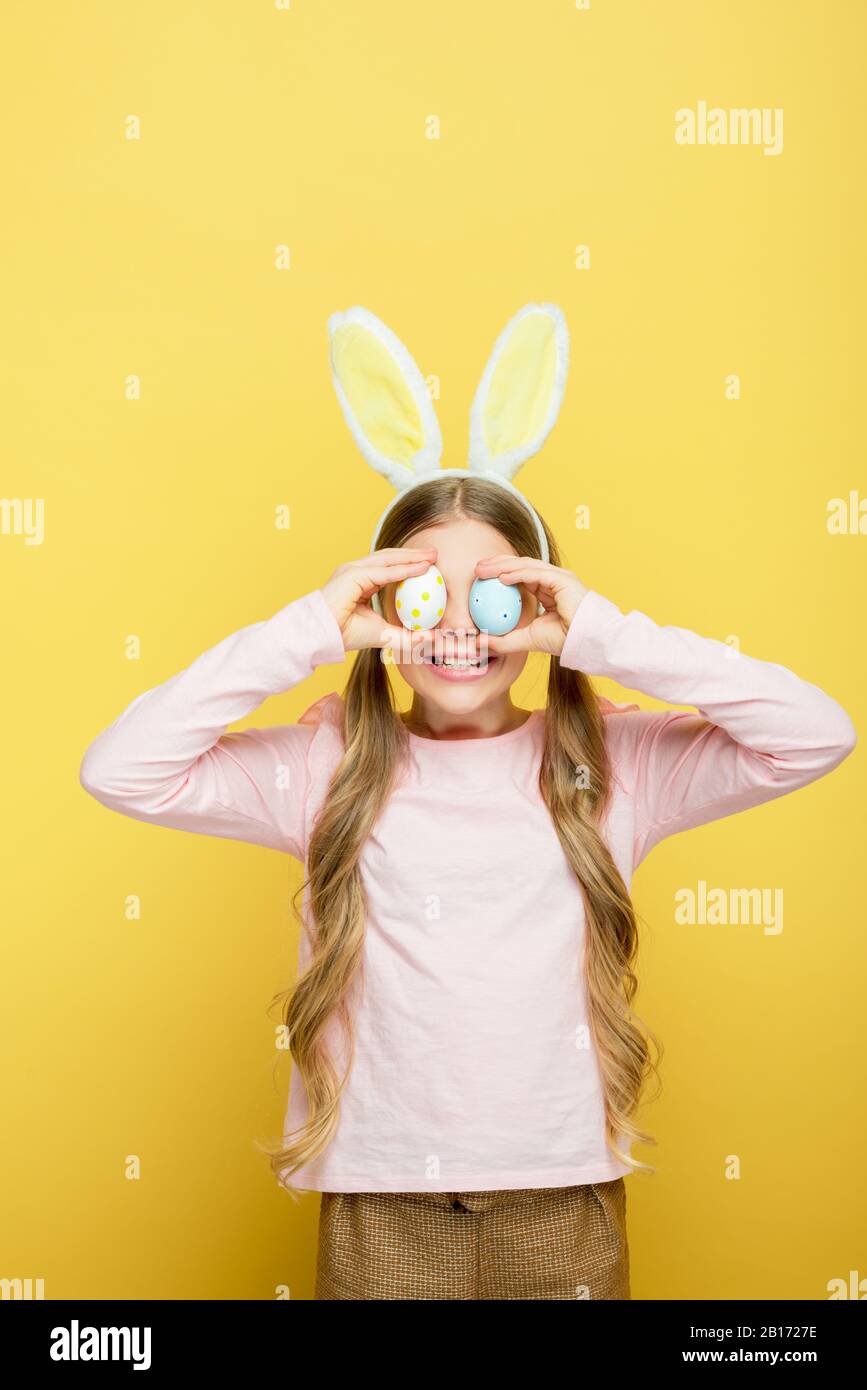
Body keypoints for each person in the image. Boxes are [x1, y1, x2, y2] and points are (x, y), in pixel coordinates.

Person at [79, 307, 856, 1299]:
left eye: (488, 594)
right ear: (378, 610)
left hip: (564, 1197)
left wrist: (606, 634)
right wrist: (310, 626)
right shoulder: (330, 768)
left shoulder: (613, 764)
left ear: (537, 605)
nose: (456, 626)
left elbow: (818, 730)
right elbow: (121, 767)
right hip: (380, 1201)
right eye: (419, 595)